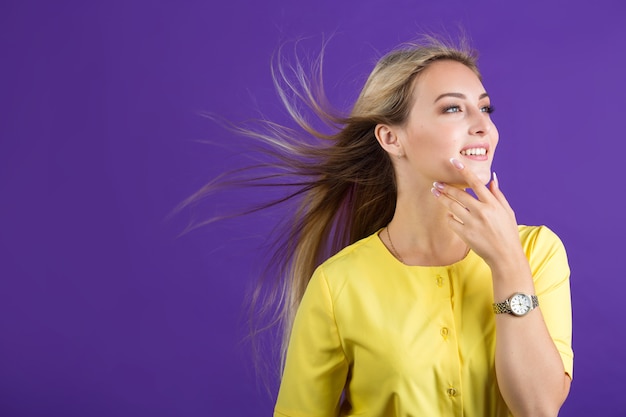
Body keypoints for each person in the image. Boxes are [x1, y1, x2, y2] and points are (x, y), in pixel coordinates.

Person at [210, 37, 572, 416]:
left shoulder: (537, 252)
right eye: (453, 108)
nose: (484, 126)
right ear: (391, 138)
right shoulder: (338, 285)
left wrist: (508, 265)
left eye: (485, 108)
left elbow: (538, 408)